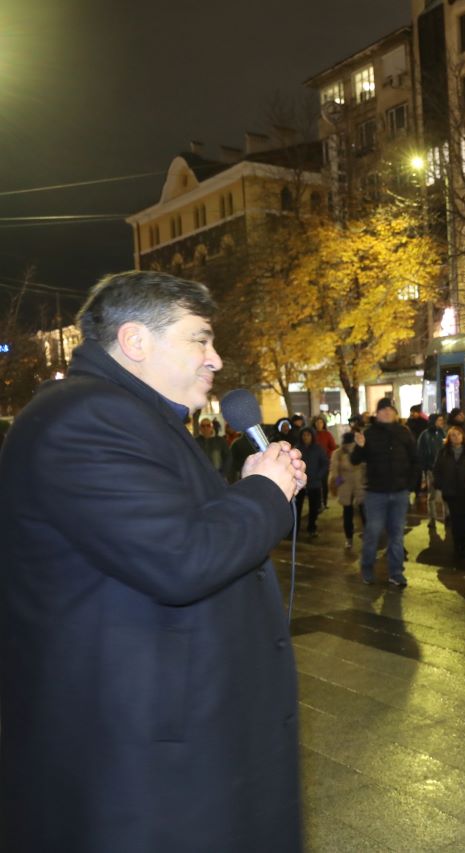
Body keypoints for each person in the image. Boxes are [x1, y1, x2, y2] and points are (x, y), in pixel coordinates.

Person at [0, 270, 305, 850]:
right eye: (200, 339)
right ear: (136, 341)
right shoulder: (84, 419)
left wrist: (248, 486)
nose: (216, 358)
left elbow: (172, 530)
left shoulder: (133, 417)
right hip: (137, 768)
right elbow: (180, 559)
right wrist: (264, 493)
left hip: (173, 746)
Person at [352, 397, 420, 587]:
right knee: (373, 532)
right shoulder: (369, 433)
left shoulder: (404, 432)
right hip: (376, 493)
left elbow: (415, 459)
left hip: (399, 492)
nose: (387, 412)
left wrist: (411, 485)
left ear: (395, 413)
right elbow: (355, 460)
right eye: (383, 410)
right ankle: (366, 569)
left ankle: (396, 573)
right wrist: (360, 446)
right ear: (377, 413)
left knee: (397, 535)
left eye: (390, 409)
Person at [434, 425, 465, 565]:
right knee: (456, 519)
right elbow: (437, 469)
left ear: (463, 436)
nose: (456, 437)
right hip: (451, 491)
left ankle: (464, 546)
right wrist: (440, 486)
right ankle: (457, 546)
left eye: (458, 434)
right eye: (453, 435)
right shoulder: (444, 452)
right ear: (449, 438)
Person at [333, 430, 367, 550]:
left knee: (351, 512)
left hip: (350, 485)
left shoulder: (339, 452)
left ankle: (349, 539)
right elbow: (335, 471)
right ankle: (353, 538)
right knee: (359, 512)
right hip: (354, 484)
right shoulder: (341, 453)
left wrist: (337, 485)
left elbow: (334, 472)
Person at [295, 427, 329, 537]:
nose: (306, 437)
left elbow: (325, 463)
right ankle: (295, 528)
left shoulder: (318, 449)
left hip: (314, 483)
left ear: (312, 436)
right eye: (304, 435)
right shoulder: (297, 448)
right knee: (297, 506)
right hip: (299, 483)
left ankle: (312, 527)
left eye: (308, 435)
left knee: (314, 507)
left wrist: (318, 476)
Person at [195, 416, 232, 481]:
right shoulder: (195, 442)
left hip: (219, 477)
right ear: (200, 428)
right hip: (202, 478)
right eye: (203, 426)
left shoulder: (220, 441)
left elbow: (228, 457)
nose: (205, 428)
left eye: (208, 425)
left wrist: (223, 474)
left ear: (211, 427)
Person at [311, 414, 336, 508]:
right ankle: (316, 504)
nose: (319, 424)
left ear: (323, 424)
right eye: (317, 422)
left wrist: (327, 455)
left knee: (324, 483)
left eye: (321, 422)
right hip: (313, 462)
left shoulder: (327, 434)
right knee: (315, 484)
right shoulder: (312, 434)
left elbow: (333, 447)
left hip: (324, 462)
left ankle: (324, 503)